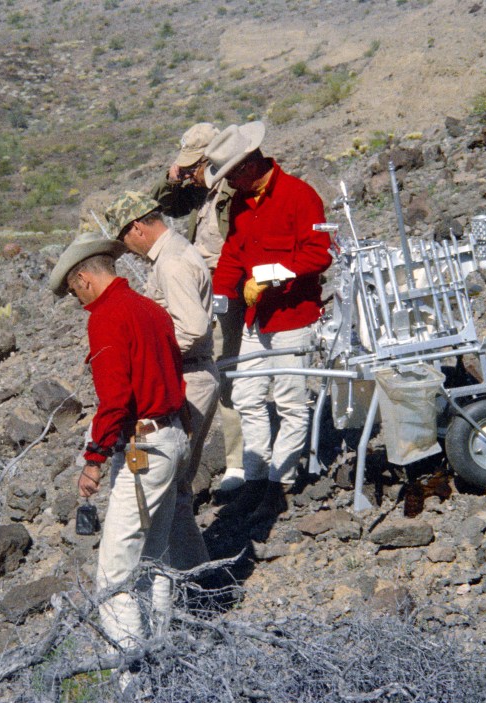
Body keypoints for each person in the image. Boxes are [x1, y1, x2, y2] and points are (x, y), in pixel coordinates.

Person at [48, 231, 189, 652]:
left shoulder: (107, 317)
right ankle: (160, 656)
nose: (79, 302)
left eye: (75, 292)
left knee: (114, 573)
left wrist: (93, 461)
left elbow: (114, 400)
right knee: (155, 557)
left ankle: (130, 678)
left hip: (142, 446)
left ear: (86, 279)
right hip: (172, 435)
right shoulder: (149, 308)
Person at [206, 122, 332, 525]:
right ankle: (256, 478)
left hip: (293, 316)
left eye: (231, 175)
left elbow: (319, 254)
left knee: (293, 401)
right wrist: (217, 296)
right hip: (256, 318)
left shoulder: (300, 195)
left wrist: (272, 273)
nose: (228, 184)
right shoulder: (242, 206)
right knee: (246, 396)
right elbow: (232, 255)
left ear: (248, 165)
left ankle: (280, 483)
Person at [105, 191, 217, 570]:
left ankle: (192, 581)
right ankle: (188, 576)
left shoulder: (170, 264)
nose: (128, 248)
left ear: (136, 228)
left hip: (189, 375)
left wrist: (155, 358)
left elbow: (194, 328)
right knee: (175, 486)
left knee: (174, 488)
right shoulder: (175, 253)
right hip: (191, 372)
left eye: (125, 239)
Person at [152, 123, 246, 493]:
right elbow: (164, 204)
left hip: (225, 289)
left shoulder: (230, 190)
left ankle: (237, 461)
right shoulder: (202, 191)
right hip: (200, 288)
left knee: (224, 371)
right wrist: (173, 177)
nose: (190, 172)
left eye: (194, 165)